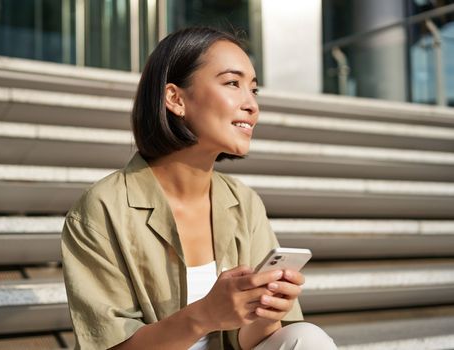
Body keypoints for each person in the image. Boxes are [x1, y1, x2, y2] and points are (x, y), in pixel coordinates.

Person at [61, 27, 337, 350]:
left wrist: (265, 311)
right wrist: (205, 314)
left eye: (254, 89)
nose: (251, 105)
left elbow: (254, 340)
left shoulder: (243, 202)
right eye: (233, 83)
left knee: (307, 339)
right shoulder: (103, 208)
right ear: (176, 99)